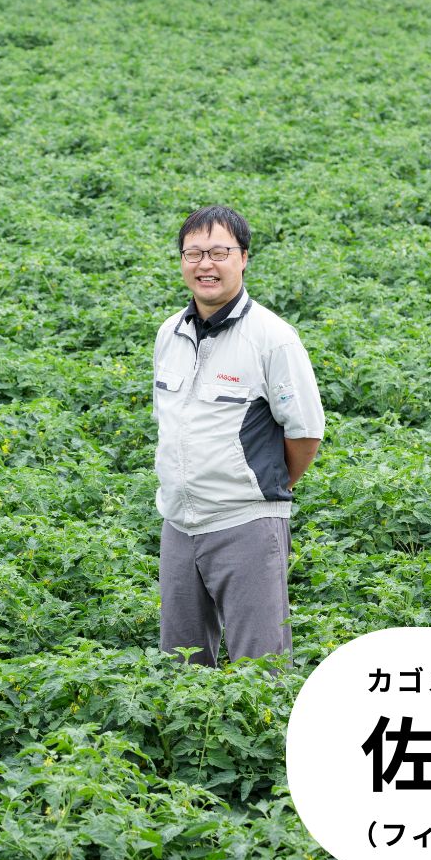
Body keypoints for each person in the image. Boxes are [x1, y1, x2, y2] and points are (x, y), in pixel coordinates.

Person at [153, 205, 325, 667]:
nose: (205, 264)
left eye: (218, 252)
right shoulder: (170, 333)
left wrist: (263, 488)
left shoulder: (273, 338)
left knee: (261, 666)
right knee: (181, 666)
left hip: (245, 523)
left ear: (243, 258)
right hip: (178, 522)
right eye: (193, 253)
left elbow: (305, 434)